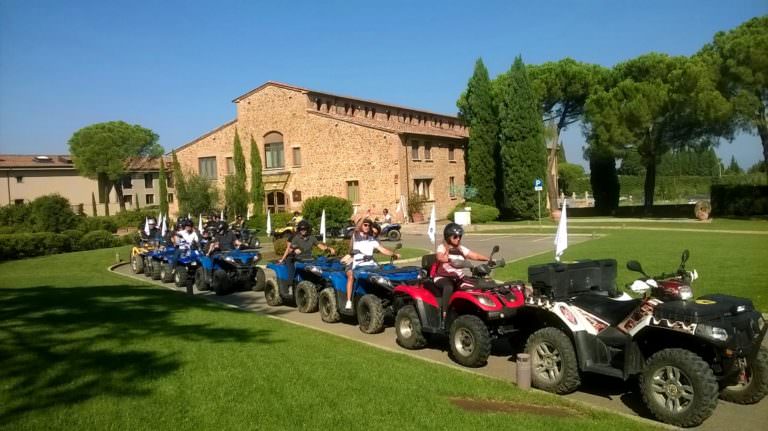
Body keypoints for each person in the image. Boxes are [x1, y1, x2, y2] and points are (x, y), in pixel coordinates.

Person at [434, 223, 490, 324]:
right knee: (449, 287)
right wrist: (449, 259)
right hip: (443, 277)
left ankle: (477, 311)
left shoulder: (460, 249)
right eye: (455, 236)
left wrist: (489, 259)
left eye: (460, 236)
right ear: (448, 237)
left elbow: (474, 255)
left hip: (459, 277)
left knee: (475, 284)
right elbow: (439, 257)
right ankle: (445, 314)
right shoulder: (442, 247)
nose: (458, 239)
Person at [343, 218, 399, 310]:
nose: (367, 227)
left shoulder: (372, 240)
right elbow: (358, 226)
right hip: (359, 266)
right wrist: (366, 217)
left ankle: (387, 297)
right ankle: (349, 301)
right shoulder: (356, 236)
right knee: (351, 276)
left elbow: (383, 250)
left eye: (368, 225)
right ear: (361, 225)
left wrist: (394, 254)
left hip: (372, 266)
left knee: (384, 276)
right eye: (365, 225)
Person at [277, 220, 336, 297]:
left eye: (304, 229)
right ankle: (291, 288)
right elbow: (290, 249)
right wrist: (294, 250)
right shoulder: (296, 238)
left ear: (308, 229)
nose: (303, 231)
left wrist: (329, 248)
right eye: (301, 229)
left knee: (319, 272)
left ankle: (318, 287)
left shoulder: (312, 238)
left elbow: (320, 246)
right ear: (299, 230)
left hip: (310, 260)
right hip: (298, 260)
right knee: (291, 277)